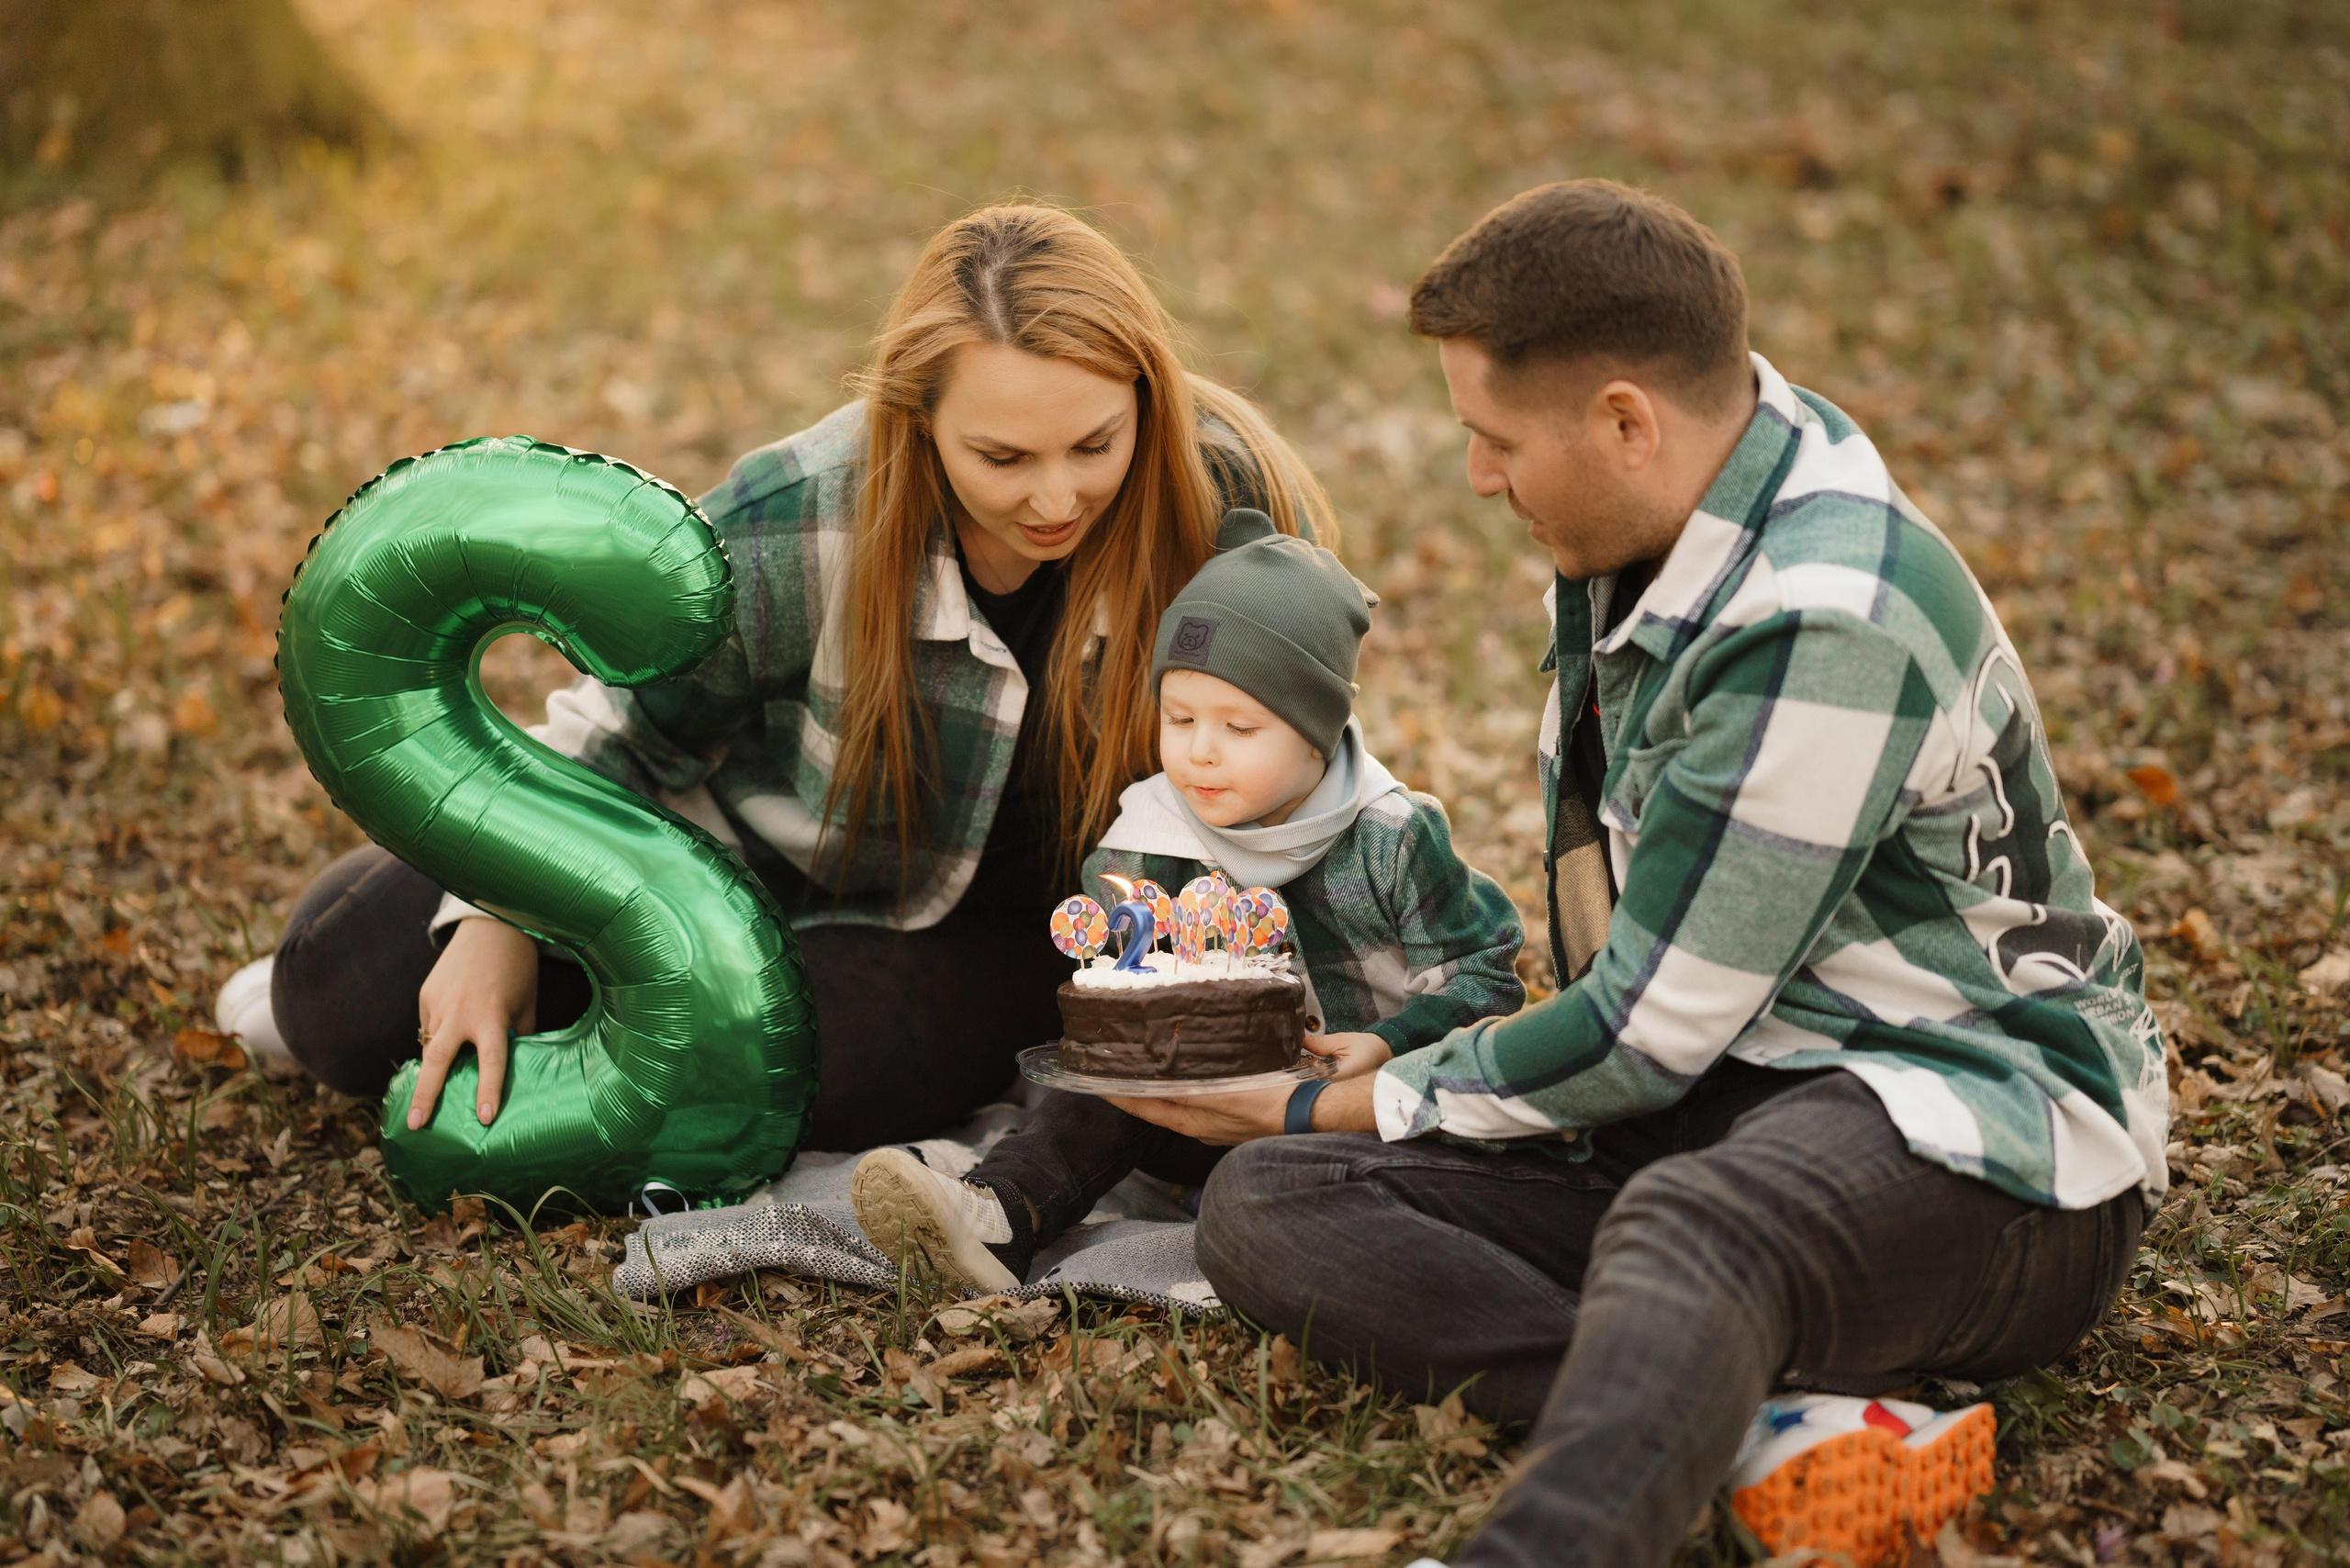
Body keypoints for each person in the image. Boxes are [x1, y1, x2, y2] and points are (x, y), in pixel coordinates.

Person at [1117, 181, 2167, 1568]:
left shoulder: (1825, 620)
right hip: (1734, 1088)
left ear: (1626, 419)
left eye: (1495, 442)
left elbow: (1642, 1029)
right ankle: (1727, 1415)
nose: (1479, 478)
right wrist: (1349, 1098)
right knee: (1277, 1197)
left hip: (1969, 1127)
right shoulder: (1660, 512)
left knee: (1681, 1216)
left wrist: (1324, 1089)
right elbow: (1637, 977)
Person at [216, 204, 1337, 1153]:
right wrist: (495, 919)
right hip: (733, 857)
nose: (1055, 497)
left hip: (1002, 933)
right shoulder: (802, 514)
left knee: (816, 1064)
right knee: (343, 994)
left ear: (1143, 394)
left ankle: (637, 1018)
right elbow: (623, 737)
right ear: (918, 422)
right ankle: (576, 986)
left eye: (1094, 444)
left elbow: (1290, 763)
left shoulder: (1216, 502)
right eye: (1003, 458)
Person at [845, 509, 1525, 1290]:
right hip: (1207, 1115)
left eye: (1239, 726)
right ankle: (998, 1218)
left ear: (1316, 732)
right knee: (1103, 1093)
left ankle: (1297, 1225)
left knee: (1410, 1161)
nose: (1200, 749)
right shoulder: (1154, 838)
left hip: (1357, 1118)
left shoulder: (1393, 835)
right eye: (1180, 717)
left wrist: (1393, 1043)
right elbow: (1116, 978)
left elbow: (1489, 979)